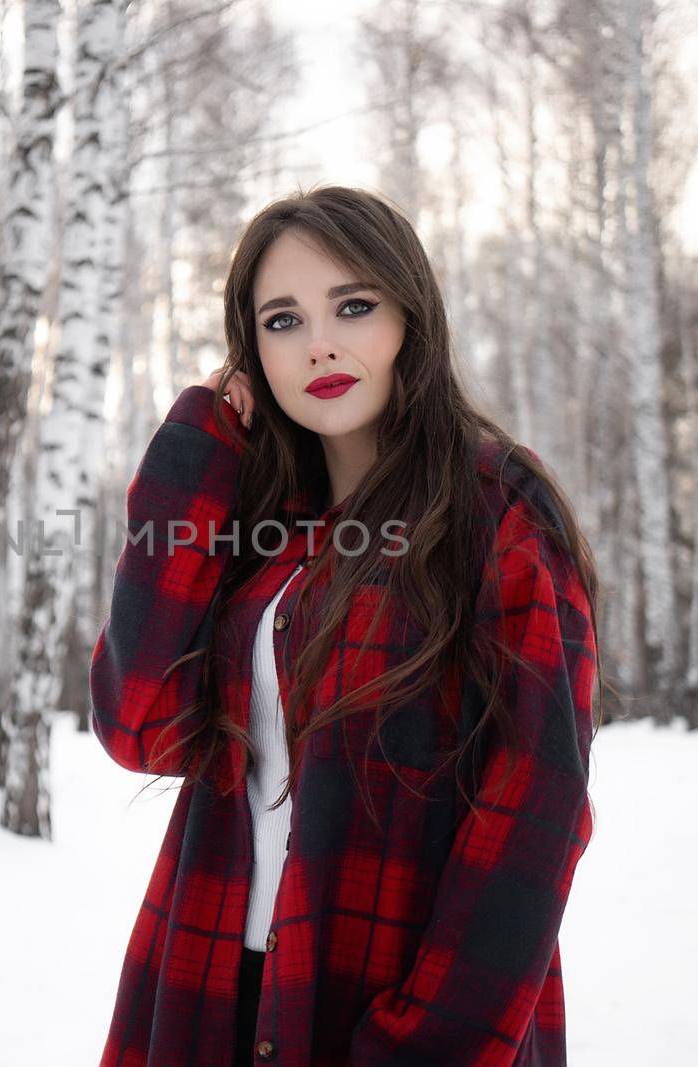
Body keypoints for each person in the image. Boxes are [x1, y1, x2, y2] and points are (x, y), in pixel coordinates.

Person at [89, 185, 605, 1067]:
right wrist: (193, 453)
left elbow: (537, 805)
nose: (320, 342)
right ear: (252, 351)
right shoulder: (259, 525)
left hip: (397, 1014)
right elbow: (140, 726)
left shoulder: (493, 507)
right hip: (211, 988)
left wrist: (422, 1045)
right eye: (282, 320)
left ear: (410, 316)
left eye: (353, 306)